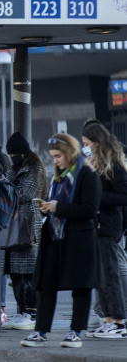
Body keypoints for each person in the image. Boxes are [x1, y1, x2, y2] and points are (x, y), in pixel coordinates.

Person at [21, 134, 103, 348]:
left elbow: (89, 209)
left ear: (70, 153)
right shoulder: (59, 177)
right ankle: (40, 331)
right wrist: (47, 207)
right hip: (56, 238)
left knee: (81, 286)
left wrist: (58, 207)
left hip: (79, 239)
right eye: (53, 156)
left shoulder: (86, 174)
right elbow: (57, 204)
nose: (55, 160)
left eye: (58, 156)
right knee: (46, 284)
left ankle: (75, 332)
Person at [81, 124, 127, 339]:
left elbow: (123, 196)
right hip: (96, 226)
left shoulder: (115, 166)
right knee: (101, 276)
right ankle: (108, 320)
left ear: (96, 143)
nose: (85, 148)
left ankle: (119, 322)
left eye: (86, 144)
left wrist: (98, 197)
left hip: (108, 225)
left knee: (110, 275)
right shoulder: (95, 165)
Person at [0, 132, 46, 331]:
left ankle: (32, 312)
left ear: (22, 153)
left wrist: (9, 188)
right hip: (15, 225)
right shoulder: (13, 169)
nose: (12, 158)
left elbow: (25, 193)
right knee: (16, 274)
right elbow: (6, 190)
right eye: (10, 155)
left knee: (27, 273)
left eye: (14, 154)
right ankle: (22, 311)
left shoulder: (34, 169)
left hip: (27, 224)